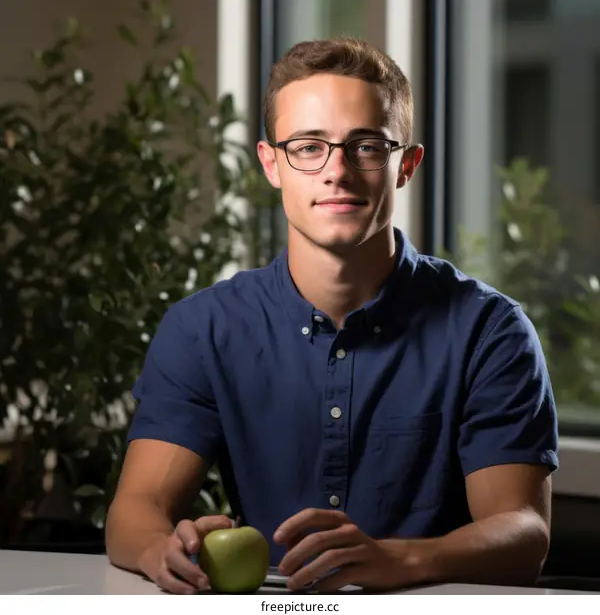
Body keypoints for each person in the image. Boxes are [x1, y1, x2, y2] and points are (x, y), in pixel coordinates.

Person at [105, 37, 558, 595]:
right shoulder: (202, 330)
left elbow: (524, 533)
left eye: (365, 146)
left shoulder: (491, 331)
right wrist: (163, 549)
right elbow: (135, 511)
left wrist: (399, 560)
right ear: (272, 164)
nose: (336, 171)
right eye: (308, 147)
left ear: (406, 166)